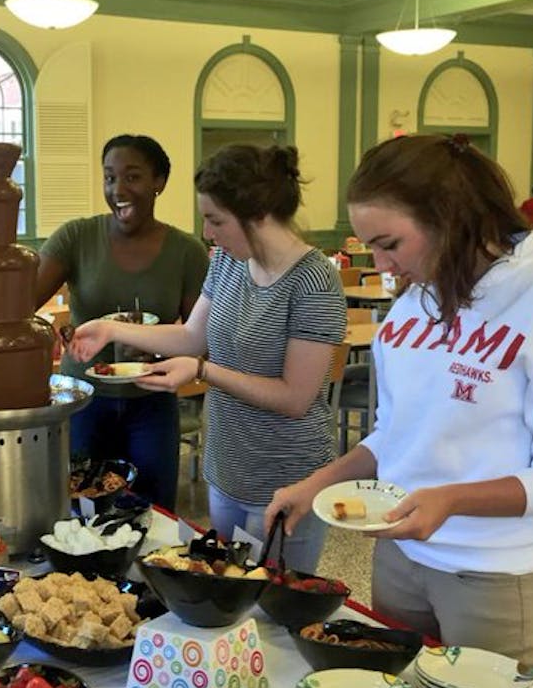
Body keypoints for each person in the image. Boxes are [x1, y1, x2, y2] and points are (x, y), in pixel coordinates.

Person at [265, 134, 533, 684]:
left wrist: (450, 500)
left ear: (450, 219)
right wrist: (316, 484)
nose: (383, 264)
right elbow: (395, 433)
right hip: (401, 559)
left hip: (497, 575)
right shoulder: (415, 304)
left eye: (390, 244)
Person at [68, 144, 346, 571]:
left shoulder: (313, 280)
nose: (208, 232)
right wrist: (112, 328)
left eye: (216, 220)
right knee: (226, 583)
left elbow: (295, 398)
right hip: (227, 466)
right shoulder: (229, 263)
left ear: (258, 215)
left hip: (286, 477)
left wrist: (203, 371)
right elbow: (191, 336)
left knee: (271, 599)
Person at [35, 134, 209, 511]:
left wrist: (158, 351)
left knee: (152, 510)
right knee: (80, 510)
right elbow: (21, 301)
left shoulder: (187, 252)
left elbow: (201, 337)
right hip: (83, 399)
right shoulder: (76, 237)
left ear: (159, 182)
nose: (118, 190)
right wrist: (48, 330)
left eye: (132, 177)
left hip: (151, 402)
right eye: (110, 178)